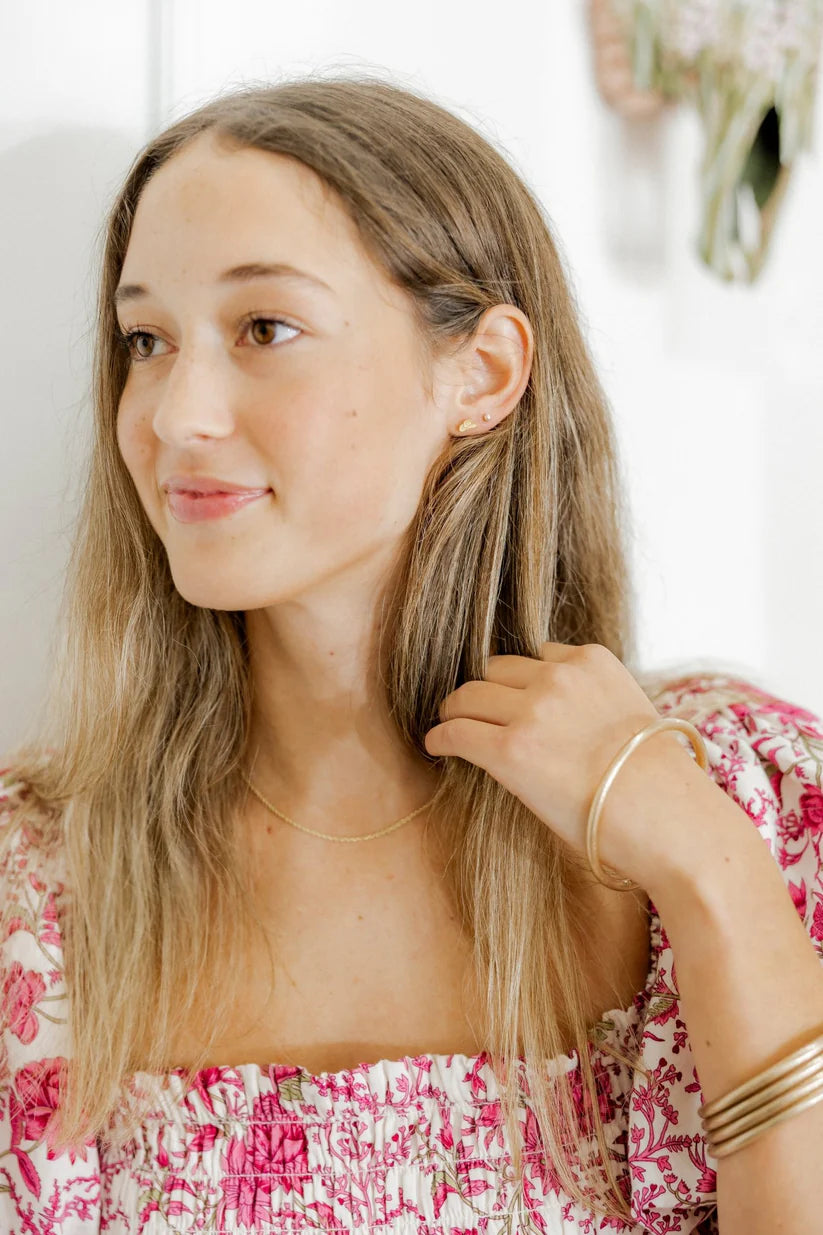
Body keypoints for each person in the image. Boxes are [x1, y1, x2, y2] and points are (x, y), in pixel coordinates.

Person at [1, 75, 822, 1235]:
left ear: (480, 374)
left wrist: (711, 870)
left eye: (264, 328)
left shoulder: (743, 798)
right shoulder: (39, 896)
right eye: (146, 338)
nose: (175, 413)